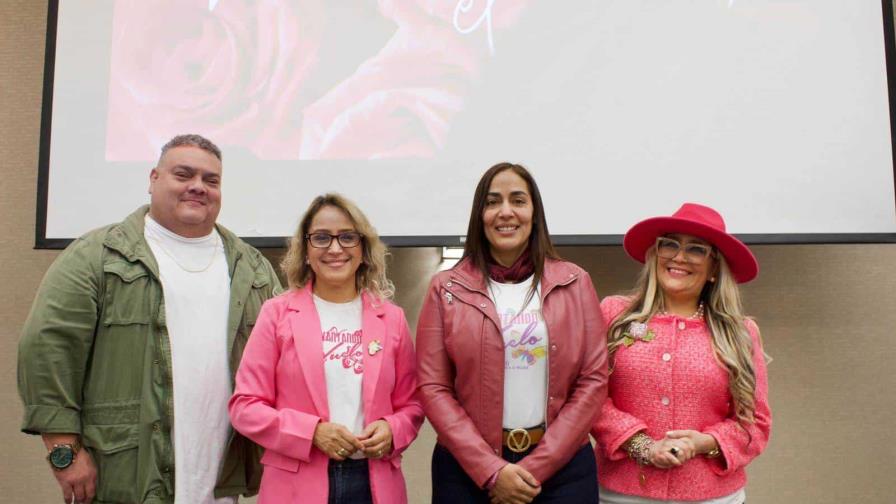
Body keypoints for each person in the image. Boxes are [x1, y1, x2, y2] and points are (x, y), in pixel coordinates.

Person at [17, 134, 282, 504]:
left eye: (211, 180)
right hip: (126, 476)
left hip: (220, 481)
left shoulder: (252, 269)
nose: (198, 187)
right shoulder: (97, 256)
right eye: (184, 174)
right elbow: (47, 348)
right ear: (153, 178)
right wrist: (64, 450)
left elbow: (285, 363)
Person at [416, 162, 609, 503]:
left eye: (518, 200)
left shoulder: (575, 282)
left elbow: (593, 380)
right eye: (492, 202)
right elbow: (433, 387)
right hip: (465, 472)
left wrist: (539, 466)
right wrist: (492, 470)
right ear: (480, 215)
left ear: (535, 213)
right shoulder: (445, 287)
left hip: (563, 472)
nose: (505, 212)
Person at [228, 194, 424, 504]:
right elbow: (245, 407)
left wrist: (392, 429)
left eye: (347, 237)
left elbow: (412, 405)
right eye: (321, 238)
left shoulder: (392, 319)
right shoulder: (276, 314)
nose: (335, 248)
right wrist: (311, 433)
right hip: (296, 485)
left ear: (363, 249)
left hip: (373, 485)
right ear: (305, 251)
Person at [592, 203, 771, 504]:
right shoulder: (613, 314)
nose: (678, 257)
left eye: (696, 249)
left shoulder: (740, 332)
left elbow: (756, 422)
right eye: (670, 244)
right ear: (655, 255)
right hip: (621, 493)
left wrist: (707, 443)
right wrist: (641, 445)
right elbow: (588, 396)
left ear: (715, 268)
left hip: (713, 497)